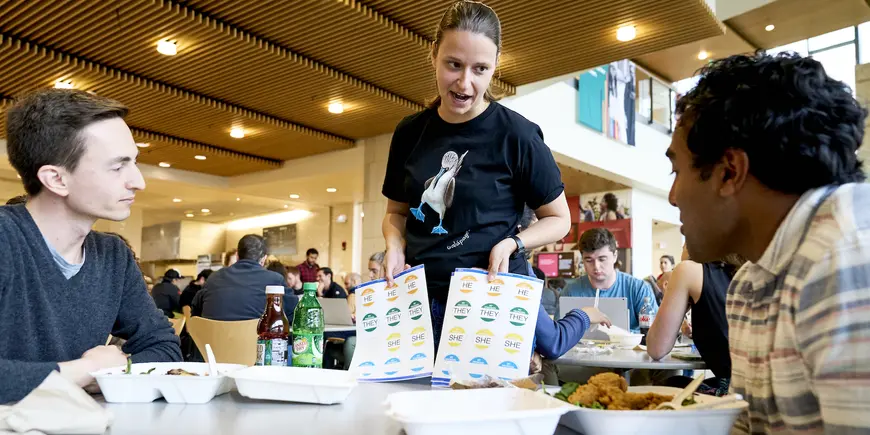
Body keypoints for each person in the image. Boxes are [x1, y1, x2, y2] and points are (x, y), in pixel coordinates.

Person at [380, 1, 609, 360]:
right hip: (420, 297)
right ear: (433, 54)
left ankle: (581, 317)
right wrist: (393, 246)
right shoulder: (409, 133)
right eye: (453, 64)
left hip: (491, 296)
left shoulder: (517, 135)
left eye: (480, 69)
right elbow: (396, 212)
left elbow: (559, 219)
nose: (464, 82)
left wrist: (512, 244)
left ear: (496, 66)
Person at [666, 52, 870, 433]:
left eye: (677, 170)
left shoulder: (847, 260)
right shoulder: (750, 283)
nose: (673, 196)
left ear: (729, 172)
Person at [0, 89, 181, 403]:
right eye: (117, 167)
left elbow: (164, 347)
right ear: (56, 179)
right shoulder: (6, 239)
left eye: (134, 163)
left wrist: (116, 370)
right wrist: (85, 370)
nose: (138, 181)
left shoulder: (113, 255)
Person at [646, 247, 744, 396]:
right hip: (768, 391)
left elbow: (656, 349)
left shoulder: (688, 270)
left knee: (669, 386)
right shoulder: (748, 268)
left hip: (733, 394)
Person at [563, 228, 658, 332]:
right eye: (589, 260)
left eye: (602, 259)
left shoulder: (638, 288)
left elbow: (655, 332)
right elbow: (560, 334)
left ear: (615, 256)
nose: (596, 267)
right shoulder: (570, 291)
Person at [191, 235, 298, 321]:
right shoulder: (275, 280)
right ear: (264, 259)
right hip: (258, 346)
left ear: (237, 255)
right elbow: (294, 314)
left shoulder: (213, 278)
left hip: (211, 346)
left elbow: (196, 314)